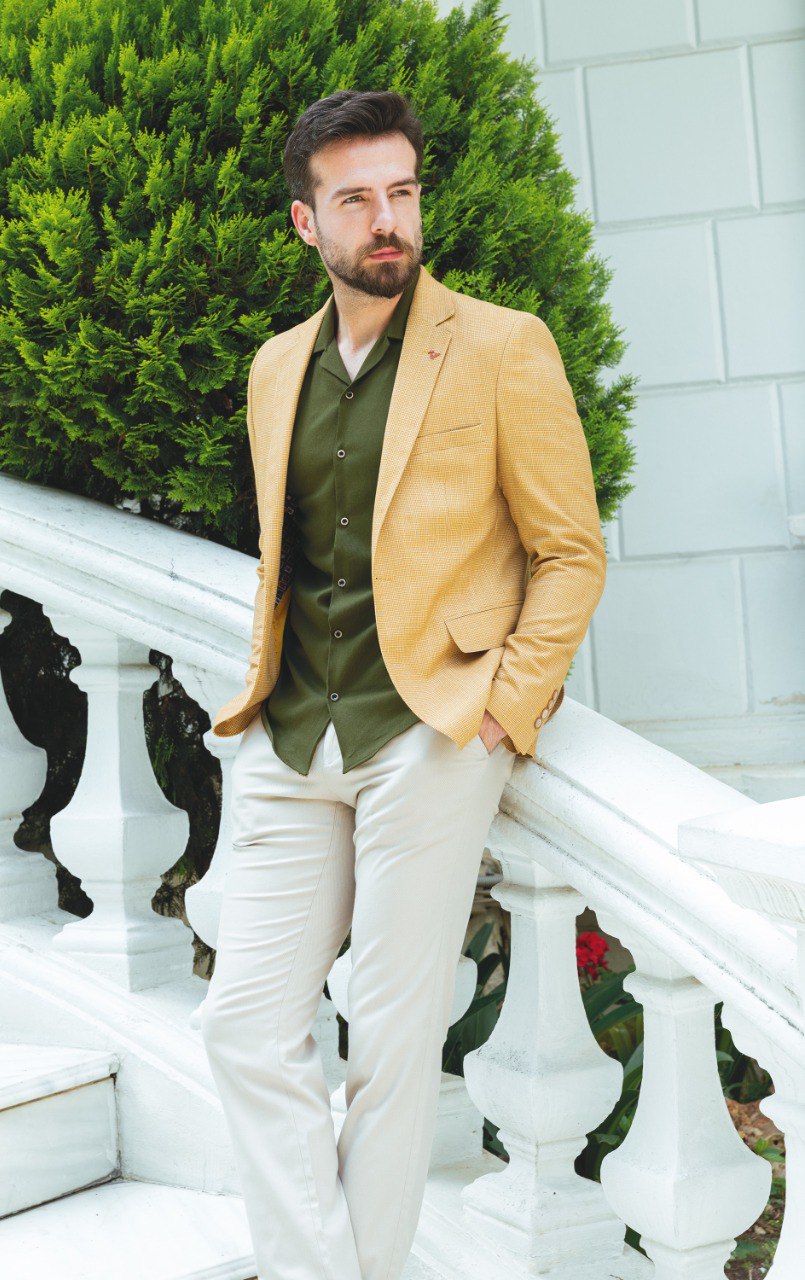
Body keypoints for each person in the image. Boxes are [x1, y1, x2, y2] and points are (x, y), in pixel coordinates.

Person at [200, 89, 607, 1280]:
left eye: (402, 192)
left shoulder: (499, 344)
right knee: (242, 1025)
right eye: (357, 200)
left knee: (387, 1039)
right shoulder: (276, 368)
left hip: (430, 728)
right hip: (289, 732)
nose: (388, 220)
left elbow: (569, 547)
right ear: (305, 223)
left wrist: (504, 710)